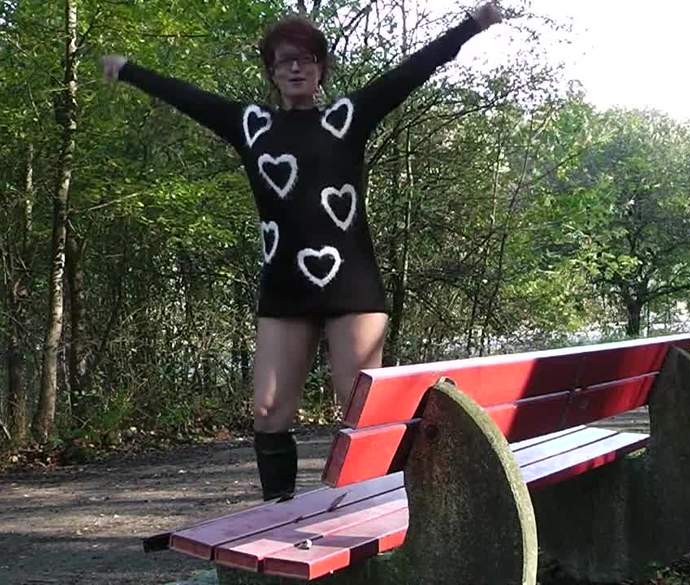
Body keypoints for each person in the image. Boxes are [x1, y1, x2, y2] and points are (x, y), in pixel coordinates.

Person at [101, 2, 504, 501]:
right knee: (269, 410)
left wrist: (472, 25)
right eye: (284, 60)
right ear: (271, 72)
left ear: (321, 68)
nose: (295, 68)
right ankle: (279, 515)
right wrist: (130, 71)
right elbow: (189, 97)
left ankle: (367, 515)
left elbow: (412, 71)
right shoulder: (251, 124)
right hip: (285, 287)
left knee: (361, 412)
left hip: (351, 286)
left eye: (306, 59)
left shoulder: (345, 118)